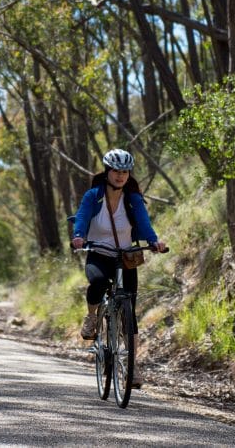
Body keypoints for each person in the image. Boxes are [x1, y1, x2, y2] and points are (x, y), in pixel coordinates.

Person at [70, 148, 166, 385]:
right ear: (107, 171)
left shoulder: (132, 199)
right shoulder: (94, 196)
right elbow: (82, 217)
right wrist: (79, 235)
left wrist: (154, 242)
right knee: (99, 282)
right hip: (99, 254)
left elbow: (144, 223)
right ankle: (92, 318)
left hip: (125, 257)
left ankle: (132, 369)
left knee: (129, 312)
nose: (121, 175)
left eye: (125, 171)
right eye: (116, 171)